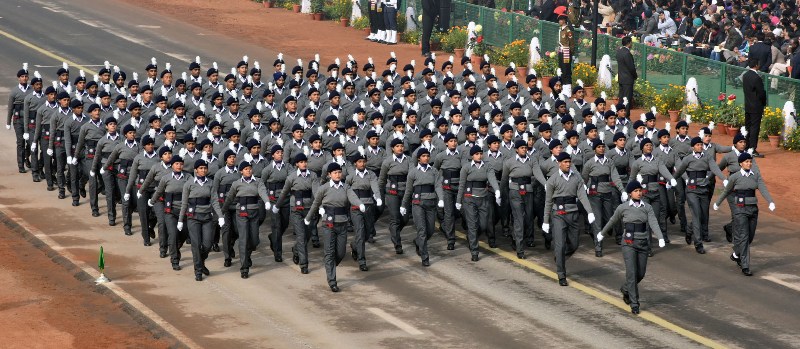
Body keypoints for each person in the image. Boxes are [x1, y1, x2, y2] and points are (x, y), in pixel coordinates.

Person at [597, 180, 666, 315]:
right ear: (630, 194)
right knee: (632, 273)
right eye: (636, 191)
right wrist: (602, 233)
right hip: (628, 243)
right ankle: (635, 303)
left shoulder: (647, 207)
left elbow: (653, 222)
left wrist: (660, 237)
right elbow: (612, 220)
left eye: (640, 190)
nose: (639, 193)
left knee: (641, 273)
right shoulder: (622, 208)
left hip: (642, 242)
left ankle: (626, 289)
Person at [304, 163, 365, 292]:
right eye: (335, 172)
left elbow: (352, 197)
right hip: (328, 224)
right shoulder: (324, 188)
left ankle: (330, 264)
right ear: (329, 175)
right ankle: (332, 280)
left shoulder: (346, 187)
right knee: (329, 252)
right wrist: (308, 218)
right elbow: (315, 204)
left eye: (339, 172)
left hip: (342, 223)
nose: (337, 175)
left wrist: (359, 204)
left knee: (341, 252)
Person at [713, 153, 775, 276]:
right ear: (740, 163)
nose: (749, 163)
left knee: (750, 237)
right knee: (744, 236)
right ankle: (745, 266)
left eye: (750, 161)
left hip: (753, 210)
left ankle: (736, 253)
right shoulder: (735, 177)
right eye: (746, 162)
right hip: (740, 210)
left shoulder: (755, 175)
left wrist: (770, 201)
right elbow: (726, 191)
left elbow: (763, 188)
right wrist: (717, 203)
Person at [542, 152, 593, 286]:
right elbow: (548, 202)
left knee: (574, 244)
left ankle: (560, 258)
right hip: (558, 214)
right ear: (559, 163)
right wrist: (545, 220)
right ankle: (561, 274)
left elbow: (582, 196)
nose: (567, 164)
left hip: (573, 213)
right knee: (560, 244)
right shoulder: (552, 180)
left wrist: (589, 212)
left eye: (569, 162)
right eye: (564, 162)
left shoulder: (576, 178)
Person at [672, 137, 726, 254]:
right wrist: (670, 181)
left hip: (703, 189)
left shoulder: (707, 157)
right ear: (693, 147)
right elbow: (679, 171)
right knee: (696, 215)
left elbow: (715, 168)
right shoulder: (688, 159)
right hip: (692, 190)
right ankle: (698, 243)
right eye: (697, 145)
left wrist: (724, 179)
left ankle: (689, 230)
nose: (700, 147)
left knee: (702, 215)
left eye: (701, 145)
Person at [178, 159, 224, 281]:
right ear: (196, 170)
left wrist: (220, 216)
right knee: (196, 245)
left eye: (205, 168)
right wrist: (180, 220)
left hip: (207, 217)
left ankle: (201, 261)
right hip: (193, 218)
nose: (203, 170)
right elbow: (184, 203)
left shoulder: (211, 183)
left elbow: (214, 200)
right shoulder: (189, 184)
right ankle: (198, 270)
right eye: (201, 168)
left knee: (208, 244)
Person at [274, 153, 319, 275]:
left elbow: (316, 192)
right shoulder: (292, 177)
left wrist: (319, 206)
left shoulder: (313, 175)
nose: (304, 163)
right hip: (296, 209)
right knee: (300, 235)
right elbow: (284, 192)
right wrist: (277, 205)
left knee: (307, 235)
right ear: (297, 164)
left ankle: (296, 250)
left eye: (305, 161)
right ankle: (304, 264)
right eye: (301, 162)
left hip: (309, 209)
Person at [223, 161, 270, 279]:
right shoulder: (236, 183)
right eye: (245, 169)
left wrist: (266, 201)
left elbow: (262, 191)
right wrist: (222, 211)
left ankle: (247, 255)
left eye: (249, 168)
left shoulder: (258, 181)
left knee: (254, 240)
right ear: (241, 171)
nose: (248, 171)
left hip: (254, 213)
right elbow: (229, 198)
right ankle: (244, 268)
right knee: (243, 239)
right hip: (241, 213)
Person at [401, 147, 445, 267]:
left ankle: (418, 242)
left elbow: (437, 186)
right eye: (423, 156)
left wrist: (441, 198)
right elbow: (408, 190)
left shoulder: (434, 171)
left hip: (431, 203)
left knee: (430, 230)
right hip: (418, 203)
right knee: (422, 230)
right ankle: (425, 256)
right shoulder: (413, 172)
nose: (426, 158)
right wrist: (404, 205)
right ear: (419, 158)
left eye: (427, 156)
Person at [456, 145, 501, 261]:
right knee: (472, 225)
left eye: (481, 154)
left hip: (483, 198)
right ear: (472, 155)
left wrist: (497, 190)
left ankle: (472, 236)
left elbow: (492, 178)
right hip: (469, 199)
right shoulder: (466, 168)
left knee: (483, 225)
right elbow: (461, 184)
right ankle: (474, 251)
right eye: (476, 154)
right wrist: (458, 201)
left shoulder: (487, 166)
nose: (479, 156)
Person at [151, 155, 191, 271]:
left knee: (184, 234)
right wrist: (152, 201)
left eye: (181, 164)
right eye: (177, 164)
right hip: (170, 212)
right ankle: (175, 259)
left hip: (184, 212)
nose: (179, 166)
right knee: (172, 235)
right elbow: (159, 191)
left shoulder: (188, 177)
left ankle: (175, 247)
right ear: (172, 165)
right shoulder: (166, 178)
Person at [742, 58, 766, 158]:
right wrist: (763, 104)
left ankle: (746, 147)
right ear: (756, 65)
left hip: (747, 105)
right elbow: (761, 93)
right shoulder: (757, 78)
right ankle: (752, 148)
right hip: (756, 107)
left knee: (748, 126)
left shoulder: (745, 75)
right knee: (755, 128)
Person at [557, 15, 575, 96]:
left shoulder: (568, 30)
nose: (559, 21)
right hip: (561, 51)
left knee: (566, 69)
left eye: (560, 20)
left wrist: (571, 52)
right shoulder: (561, 30)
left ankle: (568, 89)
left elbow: (571, 42)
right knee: (561, 68)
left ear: (564, 21)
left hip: (566, 51)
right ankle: (563, 87)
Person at [616, 36, 637, 107]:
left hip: (621, 78)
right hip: (627, 79)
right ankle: (626, 115)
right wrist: (635, 76)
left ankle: (619, 113)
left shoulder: (619, 51)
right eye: (631, 42)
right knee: (627, 99)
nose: (632, 44)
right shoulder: (627, 53)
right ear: (629, 43)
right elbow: (631, 67)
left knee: (621, 98)